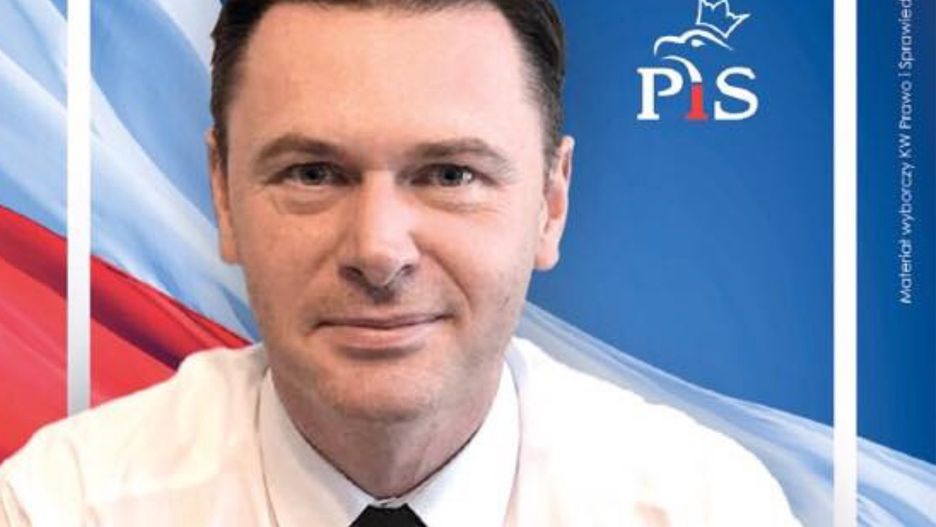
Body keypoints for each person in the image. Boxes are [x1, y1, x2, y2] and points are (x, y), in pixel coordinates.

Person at [0, 1, 801, 525]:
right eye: (314, 173)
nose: (378, 251)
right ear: (224, 194)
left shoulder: (702, 507)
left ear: (551, 203)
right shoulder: (65, 506)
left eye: (450, 174)